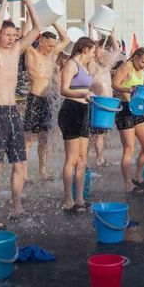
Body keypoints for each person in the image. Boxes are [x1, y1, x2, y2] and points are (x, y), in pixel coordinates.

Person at [0, 0, 41, 220]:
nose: (11, 38)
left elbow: (37, 28)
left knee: (20, 162)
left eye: (14, 35)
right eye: (7, 34)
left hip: (12, 112)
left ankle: (16, 205)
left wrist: (27, 0)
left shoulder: (16, 50)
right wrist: (5, 4)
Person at [23, 21, 69, 181]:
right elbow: (24, 36)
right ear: (41, 41)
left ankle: (43, 170)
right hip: (35, 98)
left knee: (44, 137)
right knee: (29, 138)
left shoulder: (51, 55)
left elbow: (66, 40)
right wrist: (30, 18)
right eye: (49, 45)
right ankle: (24, 172)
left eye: (53, 46)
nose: (51, 49)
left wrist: (55, 21)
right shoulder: (31, 52)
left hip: (47, 100)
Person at [58, 37, 95, 213]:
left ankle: (80, 198)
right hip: (71, 110)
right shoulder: (71, 65)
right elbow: (63, 89)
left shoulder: (86, 68)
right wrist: (83, 93)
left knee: (82, 159)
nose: (94, 54)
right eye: (93, 51)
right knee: (71, 159)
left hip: (84, 111)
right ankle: (68, 199)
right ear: (85, 49)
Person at [112, 47, 144, 193]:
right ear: (135, 57)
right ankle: (128, 184)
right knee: (129, 148)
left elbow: (141, 86)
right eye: (143, 62)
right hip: (124, 109)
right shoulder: (126, 67)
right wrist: (128, 90)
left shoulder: (141, 69)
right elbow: (115, 84)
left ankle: (138, 177)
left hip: (138, 109)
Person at [88, 26, 122, 168]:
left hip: (107, 101)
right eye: (100, 49)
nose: (104, 52)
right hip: (97, 102)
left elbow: (117, 51)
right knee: (97, 134)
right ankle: (97, 159)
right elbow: (90, 44)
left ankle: (95, 157)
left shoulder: (106, 66)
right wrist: (90, 29)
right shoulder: (91, 64)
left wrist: (113, 35)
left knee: (100, 133)